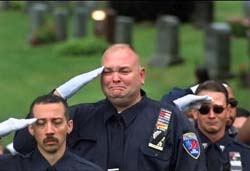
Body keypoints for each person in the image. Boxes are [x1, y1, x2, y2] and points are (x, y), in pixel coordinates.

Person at [14, 44, 206, 171]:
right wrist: (57, 96)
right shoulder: (80, 117)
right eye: (107, 72)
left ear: (141, 75)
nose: (115, 78)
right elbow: (23, 145)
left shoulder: (169, 119)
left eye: (124, 71)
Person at [0, 94, 102, 170]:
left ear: (69, 126)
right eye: (41, 123)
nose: (49, 131)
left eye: (56, 122)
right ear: (31, 129)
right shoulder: (7, 167)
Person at [192, 80, 250, 171]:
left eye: (218, 109)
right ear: (195, 112)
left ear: (228, 111)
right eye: (204, 110)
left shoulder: (246, 154)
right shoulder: (180, 152)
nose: (211, 115)